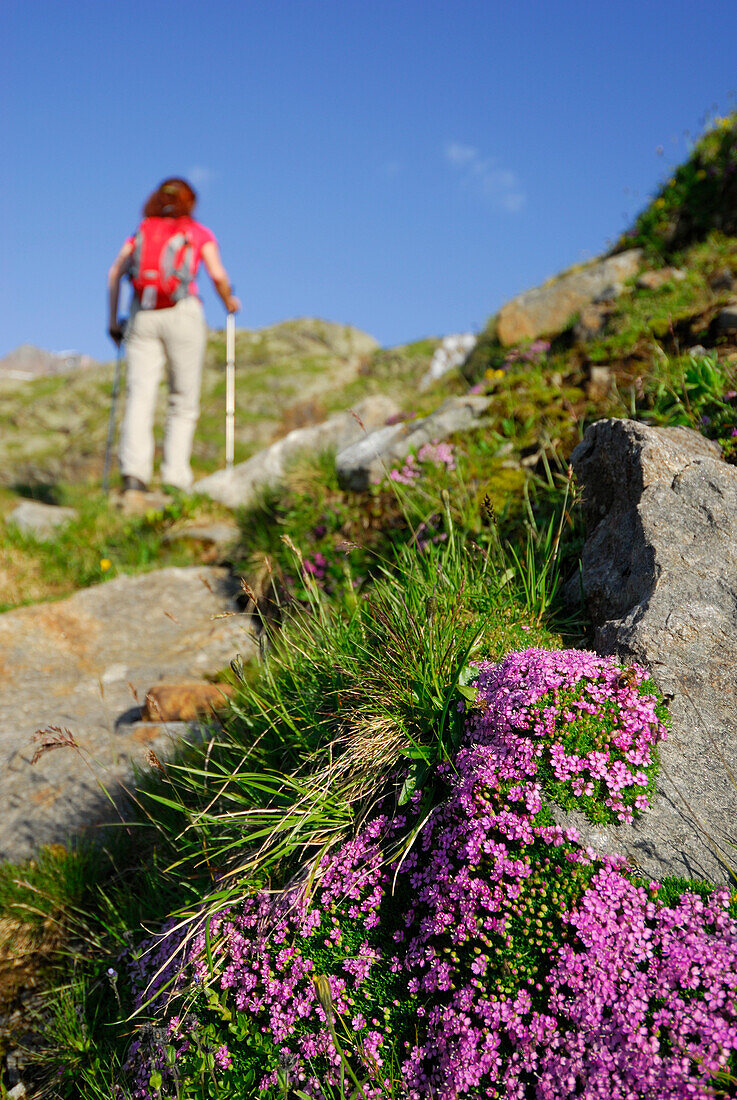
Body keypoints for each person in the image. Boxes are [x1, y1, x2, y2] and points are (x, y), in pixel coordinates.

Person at [107, 177, 240, 493]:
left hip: (142, 316)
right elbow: (217, 274)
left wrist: (114, 322)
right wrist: (230, 302)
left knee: (140, 394)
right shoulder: (196, 232)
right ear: (189, 202)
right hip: (183, 312)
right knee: (182, 399)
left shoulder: (142, 230)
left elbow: (115, 273)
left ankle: (134, 475)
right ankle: (175, 478)